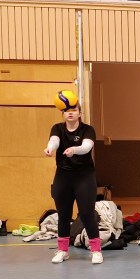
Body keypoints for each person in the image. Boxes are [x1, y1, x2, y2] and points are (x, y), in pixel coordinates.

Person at [43, 103, 102, 264]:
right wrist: (50, 148)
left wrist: (74, 150)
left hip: (84, 177)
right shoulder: (57, 128)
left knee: (86, 214)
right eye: (67, 111)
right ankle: (63, 250)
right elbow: (54, 141)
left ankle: (96, 250)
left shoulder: (87, 130)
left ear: (79, 113)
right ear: (63, 113)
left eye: (74, 110)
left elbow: (86, 147)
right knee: (63, 214)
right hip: (63, 176)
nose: (70, 113)